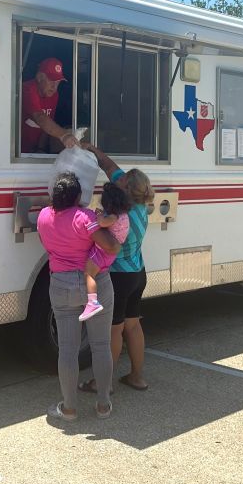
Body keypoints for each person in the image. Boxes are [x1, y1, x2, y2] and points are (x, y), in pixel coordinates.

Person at [37, 172, 121, 421]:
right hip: (95, 282)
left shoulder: (43, 216)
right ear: (77, 197)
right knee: (101, 345)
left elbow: (46, 242)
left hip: (61, 284)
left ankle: (70, 408)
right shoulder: (84, 217)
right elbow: (110, 246)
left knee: (68, 350)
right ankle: (103, 405)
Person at [79, 143, 154, 393]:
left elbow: (100, 236)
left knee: (114, 331)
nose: (117, 182)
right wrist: (94, 151)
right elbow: (110, 167)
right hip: (138, 274)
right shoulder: (141, 206)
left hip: (119, 278)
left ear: (128, 190)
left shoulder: (121, 215)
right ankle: (137, 376)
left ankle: (104, 383)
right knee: (133, 325)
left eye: (122, 183)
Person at [79, 183, 132, 322]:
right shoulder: (124, 215)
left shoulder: (113, 217)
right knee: (95, 273)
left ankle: (92, 302)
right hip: (110, 254)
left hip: (102, 251)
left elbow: (102, 223)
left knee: (88, 273)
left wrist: (98, 216)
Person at [21, 57, 79, 154]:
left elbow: (48, 122)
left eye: (58, 83)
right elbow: (40, 117)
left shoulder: (54, 95)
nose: (54, 87)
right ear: (39, 77)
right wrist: (64, 135)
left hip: (35, 152)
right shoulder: (27, 89)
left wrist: (40, 149)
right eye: (52, 81)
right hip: (18, 152)